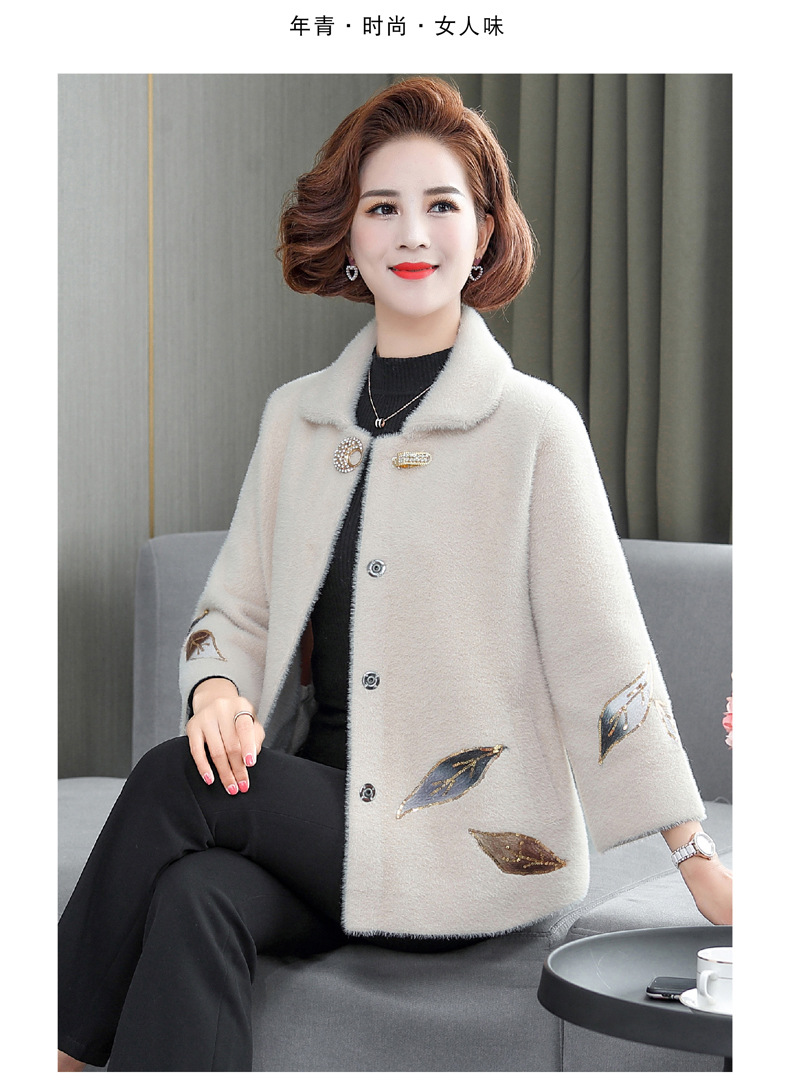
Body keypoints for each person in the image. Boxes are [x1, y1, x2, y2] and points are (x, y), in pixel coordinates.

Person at [58, 76, 732, 1072]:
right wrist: (213, 690)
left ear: (485, 230)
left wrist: (694, 855)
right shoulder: (299, 419)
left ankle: (48, 1053)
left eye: (441, 204)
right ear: (348, 232)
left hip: (461, 845)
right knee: (195, 894)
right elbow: (234, 606)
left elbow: (603, 655)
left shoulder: (533, 427)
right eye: (382, 207)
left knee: (171, 782)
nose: (412, 233)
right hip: (320, 826)